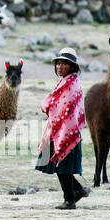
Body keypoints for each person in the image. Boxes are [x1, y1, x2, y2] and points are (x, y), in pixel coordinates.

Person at [36, 47, 90, 209]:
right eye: (58, 64)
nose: (60, 67)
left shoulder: (71, 84)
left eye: (64, 64)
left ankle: (70, 200)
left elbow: (61, 106)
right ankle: (78, 191)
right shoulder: (67, 82)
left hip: (66, 133)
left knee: (63, 168)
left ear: (72, 67)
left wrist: (48, 105)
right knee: (61, 167)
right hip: (60, 131)